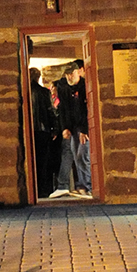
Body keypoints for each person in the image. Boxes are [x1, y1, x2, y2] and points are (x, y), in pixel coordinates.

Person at [56, 62, 91, 197]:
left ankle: (88, 186)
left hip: (83, 127)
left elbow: (86, 109)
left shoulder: (84, 87)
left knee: (83, 154)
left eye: (72, 73)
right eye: (67, 74)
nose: (70, 76)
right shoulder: (63, 88)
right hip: (73, 126)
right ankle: (82, 185)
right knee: (76, 156)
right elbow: (63, 109)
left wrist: (84, 129)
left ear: (79, 72)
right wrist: (64, 127)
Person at [29, 65, 60, 199]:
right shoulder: (43, 92)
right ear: (38, 77)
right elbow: (49, 111)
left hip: (30, 131)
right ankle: (43, 189)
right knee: (44, 161)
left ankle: (31, 188)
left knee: (31, 160)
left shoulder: (24, 91)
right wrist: (55, 128)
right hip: (42, 130)